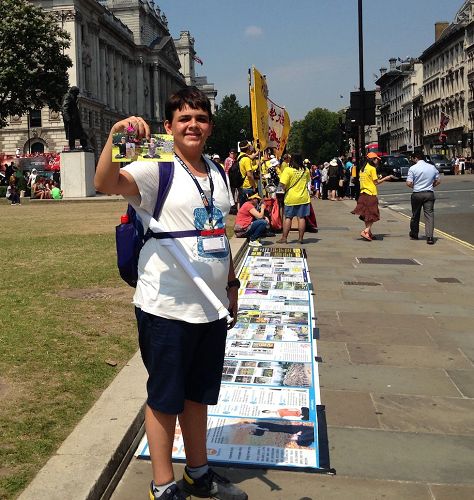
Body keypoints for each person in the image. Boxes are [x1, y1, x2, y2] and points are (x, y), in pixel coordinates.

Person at [94, 87, 247, 500]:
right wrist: (118, 135)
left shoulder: (217, 172)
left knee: (198, 397)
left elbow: (220, 235)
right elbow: (105, 181)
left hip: (210, 308)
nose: (193, 125)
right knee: (165, 398)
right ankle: (162, 485)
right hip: (166, 308)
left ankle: (198, 472)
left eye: (200, 118)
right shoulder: (157, 165)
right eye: (184, 119)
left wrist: (230, 285)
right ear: (169, 126)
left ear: (210, 126)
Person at [351, 152, 395, 241]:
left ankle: (369, 233)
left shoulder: (362, 169)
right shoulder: (372, 169)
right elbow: (376, 182)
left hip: (363, 194)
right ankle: (366, 231)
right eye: (376, 159)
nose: (377, 161)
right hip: (370, 194)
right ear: (373, 159)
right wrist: (386, 178)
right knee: (373, 214)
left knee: (367, 214)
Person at [406, 151, 441, 245]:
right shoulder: (432, 167)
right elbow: (438, 181)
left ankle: (414, 233)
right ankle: (429, 237)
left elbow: (409, 183)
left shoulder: (413, 168)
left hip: (417, 193)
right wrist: (431, 186)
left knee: (415, 214)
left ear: (416, 158)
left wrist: (416, 186)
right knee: (429, 215)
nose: (413, 161)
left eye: (413, 159)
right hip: (429, 193)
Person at [276, 154, 311, 244]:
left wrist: (285, 189)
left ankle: (284, 238)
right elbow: (307, 181)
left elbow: (282, 184)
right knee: (301, 218)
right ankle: (300, 239)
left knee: (288, 218)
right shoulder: (306, 170)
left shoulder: (288, 170)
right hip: (303, 197)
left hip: (290, 198)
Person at [61, 86, 91, 151]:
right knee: (71, 134)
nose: (77, 94)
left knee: (82, 134)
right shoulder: (68, 96)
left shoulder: (73, 97)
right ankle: (72, 148)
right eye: (77, 93)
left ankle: (85, 146)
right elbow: (64, 108)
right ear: (73, 92)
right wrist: (67, 118)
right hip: (71, 119)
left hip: (75, 119)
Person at [237, 140, 257, 205]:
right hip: (248, 186)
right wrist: (254, 185)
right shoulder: (246, 159)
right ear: (248, 148)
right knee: (250, 207)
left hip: (241, 184)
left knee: (242, 206)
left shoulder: (239, 157)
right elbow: (249, 175)